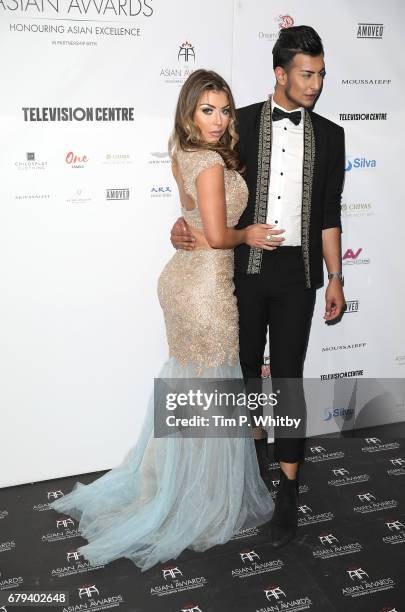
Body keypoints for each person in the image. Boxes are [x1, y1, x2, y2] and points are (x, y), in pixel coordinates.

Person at [49, 69, 275, 572]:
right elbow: (217, 235)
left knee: (190, 384)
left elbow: (191, 220)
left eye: (223, 110)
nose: (217, 121)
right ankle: (200, 502)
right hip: (204, 288)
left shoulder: (183, 154)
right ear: (189, 112)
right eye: (206, 110)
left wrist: (190, 228)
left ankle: (166, 487)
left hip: (182, 280)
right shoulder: (211, 163)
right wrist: (250, 233)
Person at [171, 26, 346, 548]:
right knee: (245, 372)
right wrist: (182, 227)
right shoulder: (239, 121)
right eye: (305, 74)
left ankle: (289, 487)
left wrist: (336, 276)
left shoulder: (333, 135)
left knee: (288, 377)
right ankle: (251, 461)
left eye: (319, 75)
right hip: (241, 270)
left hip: (299, 275)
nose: (314, 84)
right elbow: (208, 190)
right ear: (280, 73)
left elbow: (330, 215)